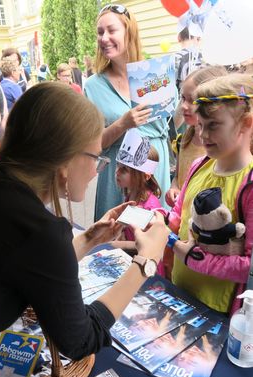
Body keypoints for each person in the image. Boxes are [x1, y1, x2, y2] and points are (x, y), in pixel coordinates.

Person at [0, 82, 168, 377]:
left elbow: (25, 263)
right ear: (66, 164)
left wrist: (90, 239)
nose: (98, 170)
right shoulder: (39, 229)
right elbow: (80, 339)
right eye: (97, 157)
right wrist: (145, 262)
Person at [167, 73, 253, 314]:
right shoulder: (199, 165)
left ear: (246, 123)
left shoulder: (249, 185)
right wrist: (161, 223)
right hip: (180, 292)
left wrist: (194, 259)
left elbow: (249, 266)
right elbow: (179, 214)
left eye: (213, 125)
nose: (203, 135)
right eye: (200, 125)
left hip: (217, 311)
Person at [84, 4, 171, 220]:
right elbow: (91, 145)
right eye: (100, 32)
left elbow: (175, 128)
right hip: (120, 173)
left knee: (154, 238)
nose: (104, 38)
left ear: (129, 31)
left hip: (154, 168)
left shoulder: (154, 74)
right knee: (117, 240)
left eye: (111, 30)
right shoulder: (94, 85)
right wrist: (122, 124)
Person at [166, 66, 228, 207]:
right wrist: (174, 188)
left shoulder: (219, 149)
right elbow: (178, 177)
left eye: (192, 100)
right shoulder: (184, 140)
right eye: (183, 98)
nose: (184, 106)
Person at [112, 130, 162, 253]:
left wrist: (118, 245)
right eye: (118, 166)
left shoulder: (151, 208)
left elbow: (151, 244)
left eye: (124, 170)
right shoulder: (131, 195)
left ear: (145, 176)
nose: (117, 172)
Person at [175, 27, 203, 94]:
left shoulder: (174, 59)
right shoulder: (206, 57)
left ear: (179, 38)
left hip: (183, 101)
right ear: (198, 37)